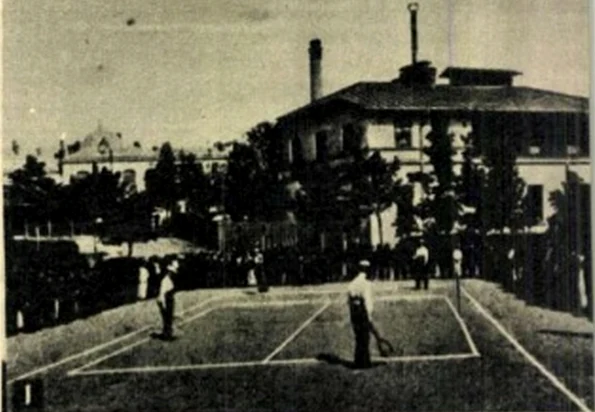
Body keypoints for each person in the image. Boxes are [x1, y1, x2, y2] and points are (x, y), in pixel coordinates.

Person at [347, 260, 374, 369]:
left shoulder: (352, 283)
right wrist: (369, 317)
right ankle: (364, 362)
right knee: (365, 337)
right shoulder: (366, 284)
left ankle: (358, 361)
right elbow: (367, 301)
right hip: (362, 312)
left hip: (354, 312)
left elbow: (348, 301)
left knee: (358, 337)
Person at [156, 259, 178, 340]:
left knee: (169, 317)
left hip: (170, 300)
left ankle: (168, 332)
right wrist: (163, 304)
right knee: (167, 317)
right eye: (171, 272)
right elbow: (162, 293)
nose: (172, 274)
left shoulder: (169, 280)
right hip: (166, 300)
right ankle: (167, 334)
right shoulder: (165, 280)